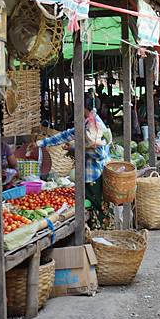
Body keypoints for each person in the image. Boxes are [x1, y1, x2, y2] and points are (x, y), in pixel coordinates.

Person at [35, 96, 112, 229]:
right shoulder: (88, 122)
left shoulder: (95, 126)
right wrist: (41, 143)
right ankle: (97, 231)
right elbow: (68, 134)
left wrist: (74, 148)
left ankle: (101, 232)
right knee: (92, 206)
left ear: (83, 108)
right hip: (90, 174)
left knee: (96, 206)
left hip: (94, 175)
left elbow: (99, 153)